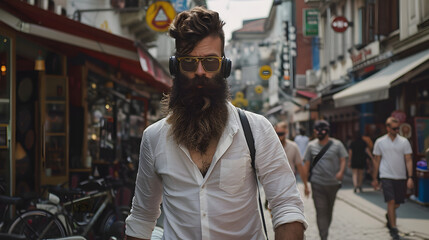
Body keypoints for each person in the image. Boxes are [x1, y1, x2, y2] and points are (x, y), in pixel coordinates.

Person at [125, 7, 307, 240]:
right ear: (175, 66)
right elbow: (142, 217)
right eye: (189, 63)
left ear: (225, 66)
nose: (200, 72)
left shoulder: (257, 129)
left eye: (210, 62)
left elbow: (286, 207)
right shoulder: (153, 138)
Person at [303, 120, 347, 240]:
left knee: (329, 211)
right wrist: (306, 185)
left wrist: (341, 172)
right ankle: (324, 236)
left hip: (333, 184)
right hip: (317, 184)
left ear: (326, 131)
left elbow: (343, 159)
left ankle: (324, 232)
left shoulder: (337, 144)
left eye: (320, 131)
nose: (318, 133)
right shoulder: (311, 145)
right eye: (316, 131)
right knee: (321, 211)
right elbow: (306, 165)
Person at [372, 116, 413, 240]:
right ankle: (394, 228)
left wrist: (410, 177)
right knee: (391, 201)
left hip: (400, 176)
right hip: (386, 176)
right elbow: (377, 161)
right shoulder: (380, 142)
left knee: (397, 203)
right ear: (388, 128)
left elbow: (408, 160)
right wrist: (375, 178)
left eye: (398, 128)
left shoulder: (404, 142)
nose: (397, 130)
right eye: (394, 128)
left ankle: (389, 216)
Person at [275, 122, 308, 188]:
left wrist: (306, 185)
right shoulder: (270, 147)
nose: (280, 136)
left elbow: (299, 166)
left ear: (286, 132)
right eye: (278, 134)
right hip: (274, 184)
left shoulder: (293, 146)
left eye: (282, 134)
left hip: (290, 183)